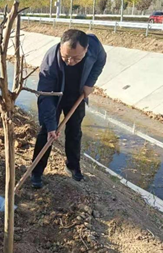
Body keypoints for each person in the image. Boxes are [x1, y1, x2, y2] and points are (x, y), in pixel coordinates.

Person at [30, 29, 107, 189]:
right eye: (66, 57)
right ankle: (36, 171)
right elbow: (45, 96)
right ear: (60, 48)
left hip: (77, 95)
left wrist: (90, 83)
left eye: (76, 58)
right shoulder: (50, 62)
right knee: (46, 133)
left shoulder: (94, 46)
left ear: (86, 50)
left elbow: (101, 60)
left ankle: (73, 165)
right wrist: (52, 125)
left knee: (74, 131)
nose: (70, 62)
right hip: (54, 96)